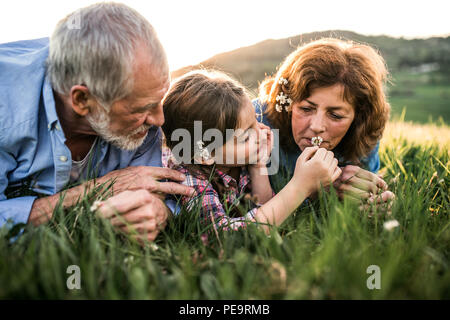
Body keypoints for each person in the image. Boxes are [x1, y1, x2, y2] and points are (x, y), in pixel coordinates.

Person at [0, 3, 194, 243]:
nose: (159, 119)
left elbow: (162, 195)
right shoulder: (6, 111)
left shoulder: (144, 115)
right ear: (82, 100)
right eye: (141, 109)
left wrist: (159, 212)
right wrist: (98, 189)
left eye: (158, 101)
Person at [161, 70, 341, 234]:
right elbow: (223, 237)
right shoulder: (190, 179)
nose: (261, 133)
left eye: (256, 121)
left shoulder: (238, 159)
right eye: (245, 137)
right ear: (204, 155)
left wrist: (258, 166)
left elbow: (269, 211)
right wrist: (300, 186)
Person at [253, 38, 395, 204]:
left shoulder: (365, 131)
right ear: (287, 101)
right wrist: (318, 192)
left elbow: (364, 198)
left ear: (359, 117)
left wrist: (367, 200)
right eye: (306, 109)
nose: (316, 127)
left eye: (335, 116)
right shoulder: (257, 119)